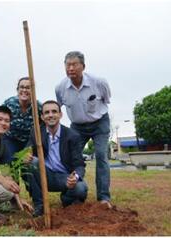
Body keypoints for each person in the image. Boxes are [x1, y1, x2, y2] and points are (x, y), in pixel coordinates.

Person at [55, 51, 112, 207]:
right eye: (67, 65)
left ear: (83, 66)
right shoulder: (60, 88)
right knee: (69, 157)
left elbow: (106, 100)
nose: (71, 68)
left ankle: (104, 197)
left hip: (99, 123)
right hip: (77, 127)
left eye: (74, 64)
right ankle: (73, 192)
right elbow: (58, 107)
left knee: (101, 155)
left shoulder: (99, 82)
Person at [23, 100, 88, 217]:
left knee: (81, 188)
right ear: (42, 117)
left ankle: (66, 198)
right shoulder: (36, 133)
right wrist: (25, 156)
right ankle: (39, 204)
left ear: (60, 114)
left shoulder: (72, 136)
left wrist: (75, 177)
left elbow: (79, 165)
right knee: (32, 162)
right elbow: (27, 150)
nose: (51, 115)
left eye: (54, 111)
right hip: (44, 175)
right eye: (47, 112)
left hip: (65, 178)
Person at [2, 77, 42, 164]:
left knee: (29, 162)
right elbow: (0, 120)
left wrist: (31, 147)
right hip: (10, 139)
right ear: (17, 89)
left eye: (28, 88)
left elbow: (42, 127)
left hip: (28, 142)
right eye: (22, 87)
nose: (24, 90)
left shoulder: (38, 107)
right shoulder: (9, 104)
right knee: (10, 160)